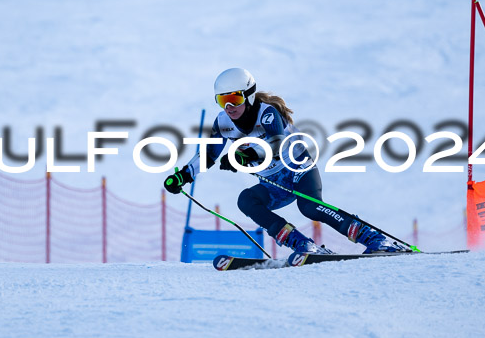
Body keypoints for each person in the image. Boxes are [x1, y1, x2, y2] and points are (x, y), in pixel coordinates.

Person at [164, 68, 406, 255]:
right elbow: (209, 155)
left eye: (235, 99)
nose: (229, 107)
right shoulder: (223, 123)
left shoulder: (267, 112)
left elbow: (277, 145)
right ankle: (303, 245)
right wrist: (184, 176)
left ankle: (376, 239)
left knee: (309, 207)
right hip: (273, 183)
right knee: (246, 200)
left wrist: (246, 155)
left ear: (248, 96)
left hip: (297, 168)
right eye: (222, 100)